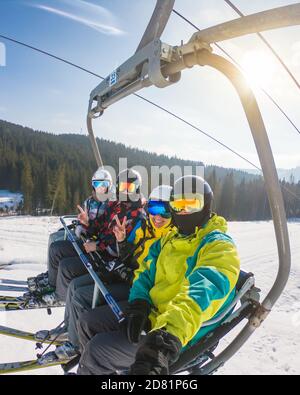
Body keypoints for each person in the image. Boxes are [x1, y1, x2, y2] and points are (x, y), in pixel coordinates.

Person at [75, 175, 240, 375]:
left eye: (191, 204)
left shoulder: (218, 246)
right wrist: (139, 303)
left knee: (97, 351)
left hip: (176, 333)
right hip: (151, 313)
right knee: (87, 322)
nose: (184, 211)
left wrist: (165, 340)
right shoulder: (171, 238)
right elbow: (145, 271)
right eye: (178, 205)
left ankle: (95, 366)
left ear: (205, 206)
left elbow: (200, 294)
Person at [35, 185, 174, 356]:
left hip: (136, 287)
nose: (157, 216)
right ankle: (70, 328)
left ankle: (76, 343)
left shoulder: (169, 237)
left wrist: (126, 271)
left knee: (82, 296)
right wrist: (120, 241)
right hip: (123, 275)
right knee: (75, 287)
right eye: (153, 208)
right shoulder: (144, 227)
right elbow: (126, 253)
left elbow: (154, 274)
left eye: (165, 210)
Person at [27, 168, 114, 296]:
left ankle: (58, 293)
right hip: (87, 239)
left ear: (109, 186)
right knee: (55, 248)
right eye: (97, 184)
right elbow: (84, 221)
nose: (100, 188)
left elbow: (107, 230)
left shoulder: (111, 205)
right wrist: (82, 225)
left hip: (97, 245)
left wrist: (91, 232)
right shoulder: (89, 202)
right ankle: (52, 281)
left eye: (104, 185)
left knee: (65, 262)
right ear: (93, 186)